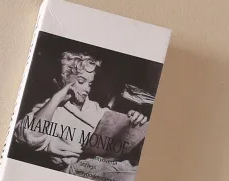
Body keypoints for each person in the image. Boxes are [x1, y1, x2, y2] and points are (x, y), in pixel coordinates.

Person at [14, 51, 148, 170]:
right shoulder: (48, 109)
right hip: (71, 171)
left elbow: (115, 127)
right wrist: (57, 98)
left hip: (104, 165)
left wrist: (133, 119)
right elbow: (26, 137)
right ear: (63, 80)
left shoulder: (94, 107)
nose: (87, 89)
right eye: (81, 81)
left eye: (90, 83)